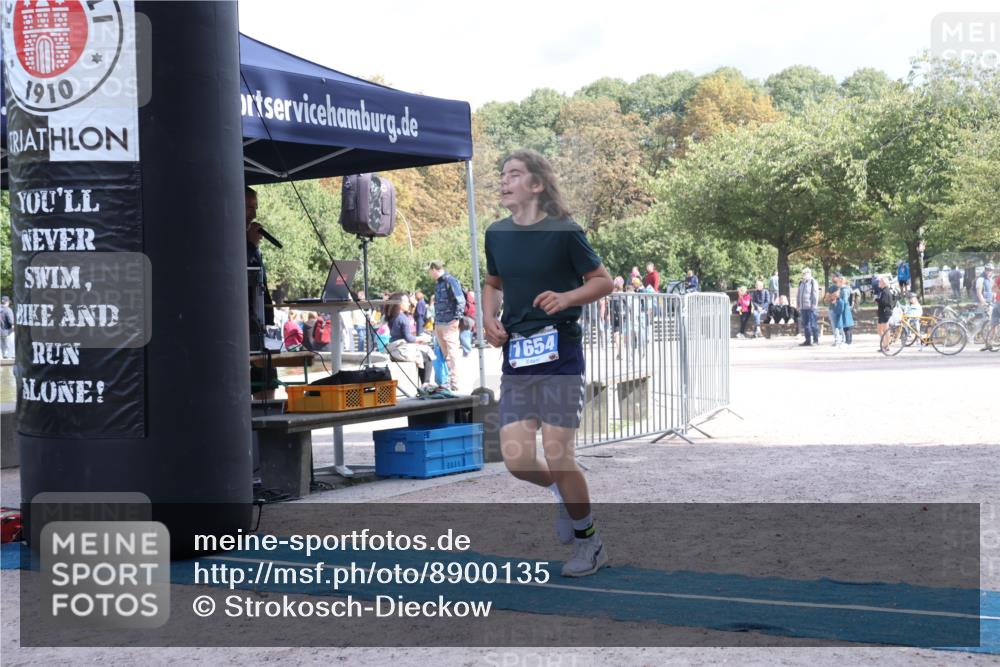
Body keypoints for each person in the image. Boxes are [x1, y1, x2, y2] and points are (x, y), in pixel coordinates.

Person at [483, 149, 613, 578]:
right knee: (518, 461)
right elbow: (493, 283)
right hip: (517, 357)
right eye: (502, 175)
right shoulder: (496, 233)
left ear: (537, 185)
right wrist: (488, 318)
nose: (504, 181)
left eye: (514, 174)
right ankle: (564, 493)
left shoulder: (564, 232)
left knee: (559, 454)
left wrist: (567, 298)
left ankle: (588, 541)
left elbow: (603, 281)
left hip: (560, 353)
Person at [246, 186, 277, 397]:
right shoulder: (225, 237)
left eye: (255, 207)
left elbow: (258, 279)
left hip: (257, 320)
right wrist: (249, 246)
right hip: (240, 321)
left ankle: (268, 421)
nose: (254, 214)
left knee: (267, 376)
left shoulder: (251, 243)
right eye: (248, 207)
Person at [428, 260, 465, 392]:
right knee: (446, 355)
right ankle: (449, 381)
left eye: (429, 271)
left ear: (434, 269)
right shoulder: (438, 284)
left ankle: (455, 382)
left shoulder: (450, 281)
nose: (429, 274)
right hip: (440, 323)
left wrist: (456, 319)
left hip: (449, 322)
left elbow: (460, 300)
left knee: (453, 354)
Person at [385, 292, 435, 383]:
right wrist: (422, 338)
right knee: (427, 355)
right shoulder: (403, 318)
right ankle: (426, 384)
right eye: (407, 301)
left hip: (394, 349)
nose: (409, 304)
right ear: (399, 303)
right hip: (402, 351)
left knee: (423, 352)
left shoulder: (392, 316)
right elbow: (409, 338)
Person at [797, 268, 820, 346]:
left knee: (813, 324)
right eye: (803, 273)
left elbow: (815, 294)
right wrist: (798, 304)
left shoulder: (813, 282)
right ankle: (807, 340)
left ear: (809, 273)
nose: (803, 275)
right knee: (806, 325)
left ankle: (816, 340)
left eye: (805, 273)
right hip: (803, 307)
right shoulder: (801, 282)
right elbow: (799, 294)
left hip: (811, 307)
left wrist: (814, 305)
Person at [832, 272, 855, 348]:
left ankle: (848, 342)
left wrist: (838, 299)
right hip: (845, 308)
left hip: (845, 309)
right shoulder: (843, 289)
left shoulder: (844, 290)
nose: (836, 284)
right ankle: (848, 341)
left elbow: (844, 300)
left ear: (841, 282)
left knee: (847, 325)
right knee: (845, 325)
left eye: (837, 282)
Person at [876, 275, 897, 352]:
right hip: (882, 313)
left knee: (885, 330)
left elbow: (886, 303)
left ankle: (886, 346)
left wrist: (877, 300)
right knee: (879, 330)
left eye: (880, 281)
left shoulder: (886, 291)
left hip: (885, 313)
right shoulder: (883, 291)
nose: (879, 283)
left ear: (884, 283)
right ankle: (885, 343)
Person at [982, 271, 1000, 352]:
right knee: (994, 323)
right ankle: (991, 342)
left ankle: (991, 342)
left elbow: (994, 288)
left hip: (997, 303)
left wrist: (997, 290)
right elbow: (993, 288)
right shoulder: (999, 278)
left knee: (994, 323)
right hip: (997, 303)